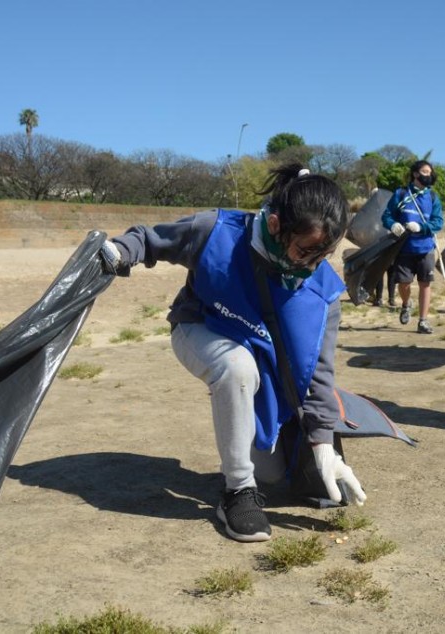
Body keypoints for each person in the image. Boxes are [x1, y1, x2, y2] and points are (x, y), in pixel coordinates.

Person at [99, 164, 366, 543]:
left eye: (324, 254)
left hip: (261, 353)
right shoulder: (216, 233)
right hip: (200, 329)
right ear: (275, 225)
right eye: (305, 250)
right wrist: (119, 251)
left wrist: (323, 444)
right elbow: (150, 239)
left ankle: (252, 467)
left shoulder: (323, 292)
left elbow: (318, 373)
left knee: (273, 474)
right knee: (237, 368)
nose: (311, 266)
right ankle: (237, 493)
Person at [380, 160, 444, 334]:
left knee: (425, 284)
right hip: (404, 249)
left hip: (426, 248)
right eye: (425, 172)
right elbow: (387, 216)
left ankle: (423, 321)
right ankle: (406, 304)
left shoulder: (432, 197)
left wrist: (422, 228)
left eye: (430, 172)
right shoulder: (401, 194)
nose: (429, 175)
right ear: (415, 174)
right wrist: (393, 225)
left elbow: (438, 222)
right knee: (404, 283)